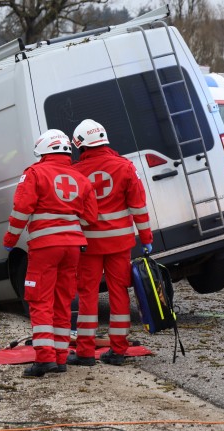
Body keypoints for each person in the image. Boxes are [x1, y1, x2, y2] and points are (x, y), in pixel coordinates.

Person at [2, 130, 97, 377]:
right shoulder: (81, 178)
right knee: (63, 301)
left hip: (45, 247)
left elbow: (21, 209)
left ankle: (45, 359)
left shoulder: (35, 173)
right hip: (73, 247)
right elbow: (90, 217)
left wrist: (10, 239)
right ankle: (61, 357)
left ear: (43, 150)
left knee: (39, 300)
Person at [69, 119, 153, 366]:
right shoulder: (125, 167)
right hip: (119, 244)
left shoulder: (75, 172)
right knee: (119, 294)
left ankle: (84, 352)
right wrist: (146, 238)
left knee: (88, 295)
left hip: (89, 246)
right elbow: (138, 207)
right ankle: (118, 350)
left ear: (81, 144)